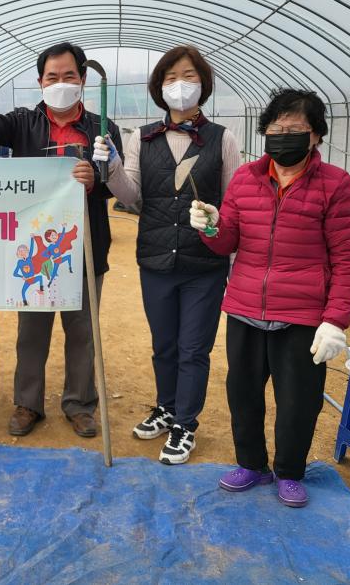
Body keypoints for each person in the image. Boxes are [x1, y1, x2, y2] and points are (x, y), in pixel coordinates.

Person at [189, 88, 350, 507]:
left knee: (298, 401)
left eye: (295, 129)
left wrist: (335, 319)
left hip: (302, 315)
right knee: (243, 393)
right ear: (265, 132)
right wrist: (210, 226)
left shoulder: (335, 185)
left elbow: (348, 257)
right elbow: (229, 238)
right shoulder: (246, 178)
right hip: (246, 308)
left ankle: (289, 470)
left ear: (316, 136)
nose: (284, 135)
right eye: (276, 128)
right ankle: (251, 463)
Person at [0, 43, 123, 439]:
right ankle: (27, 403)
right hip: (34, 247)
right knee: (31, 331)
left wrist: (97, 180)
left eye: (69, 76)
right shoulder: (22, 122)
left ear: (83, 80)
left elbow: (113, 182)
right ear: (40, 82)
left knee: (83, 330)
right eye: (52, 77)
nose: (61, 83)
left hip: (85, 246)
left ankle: (80, 403)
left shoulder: (102, 128)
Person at [93, 45, 241, 464]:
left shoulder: (222, 139)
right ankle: (167, 406)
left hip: (204, 264)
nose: (181, 85)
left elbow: (233, 203)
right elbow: (134, 197)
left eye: (189, 76)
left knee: (194, 347)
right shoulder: (142, 137)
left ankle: (186, 424)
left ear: (203, 84)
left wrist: (220, 234)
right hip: (156, 260)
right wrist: (112, 167)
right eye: (172, 77)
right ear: (160, 87)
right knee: (164, 345)